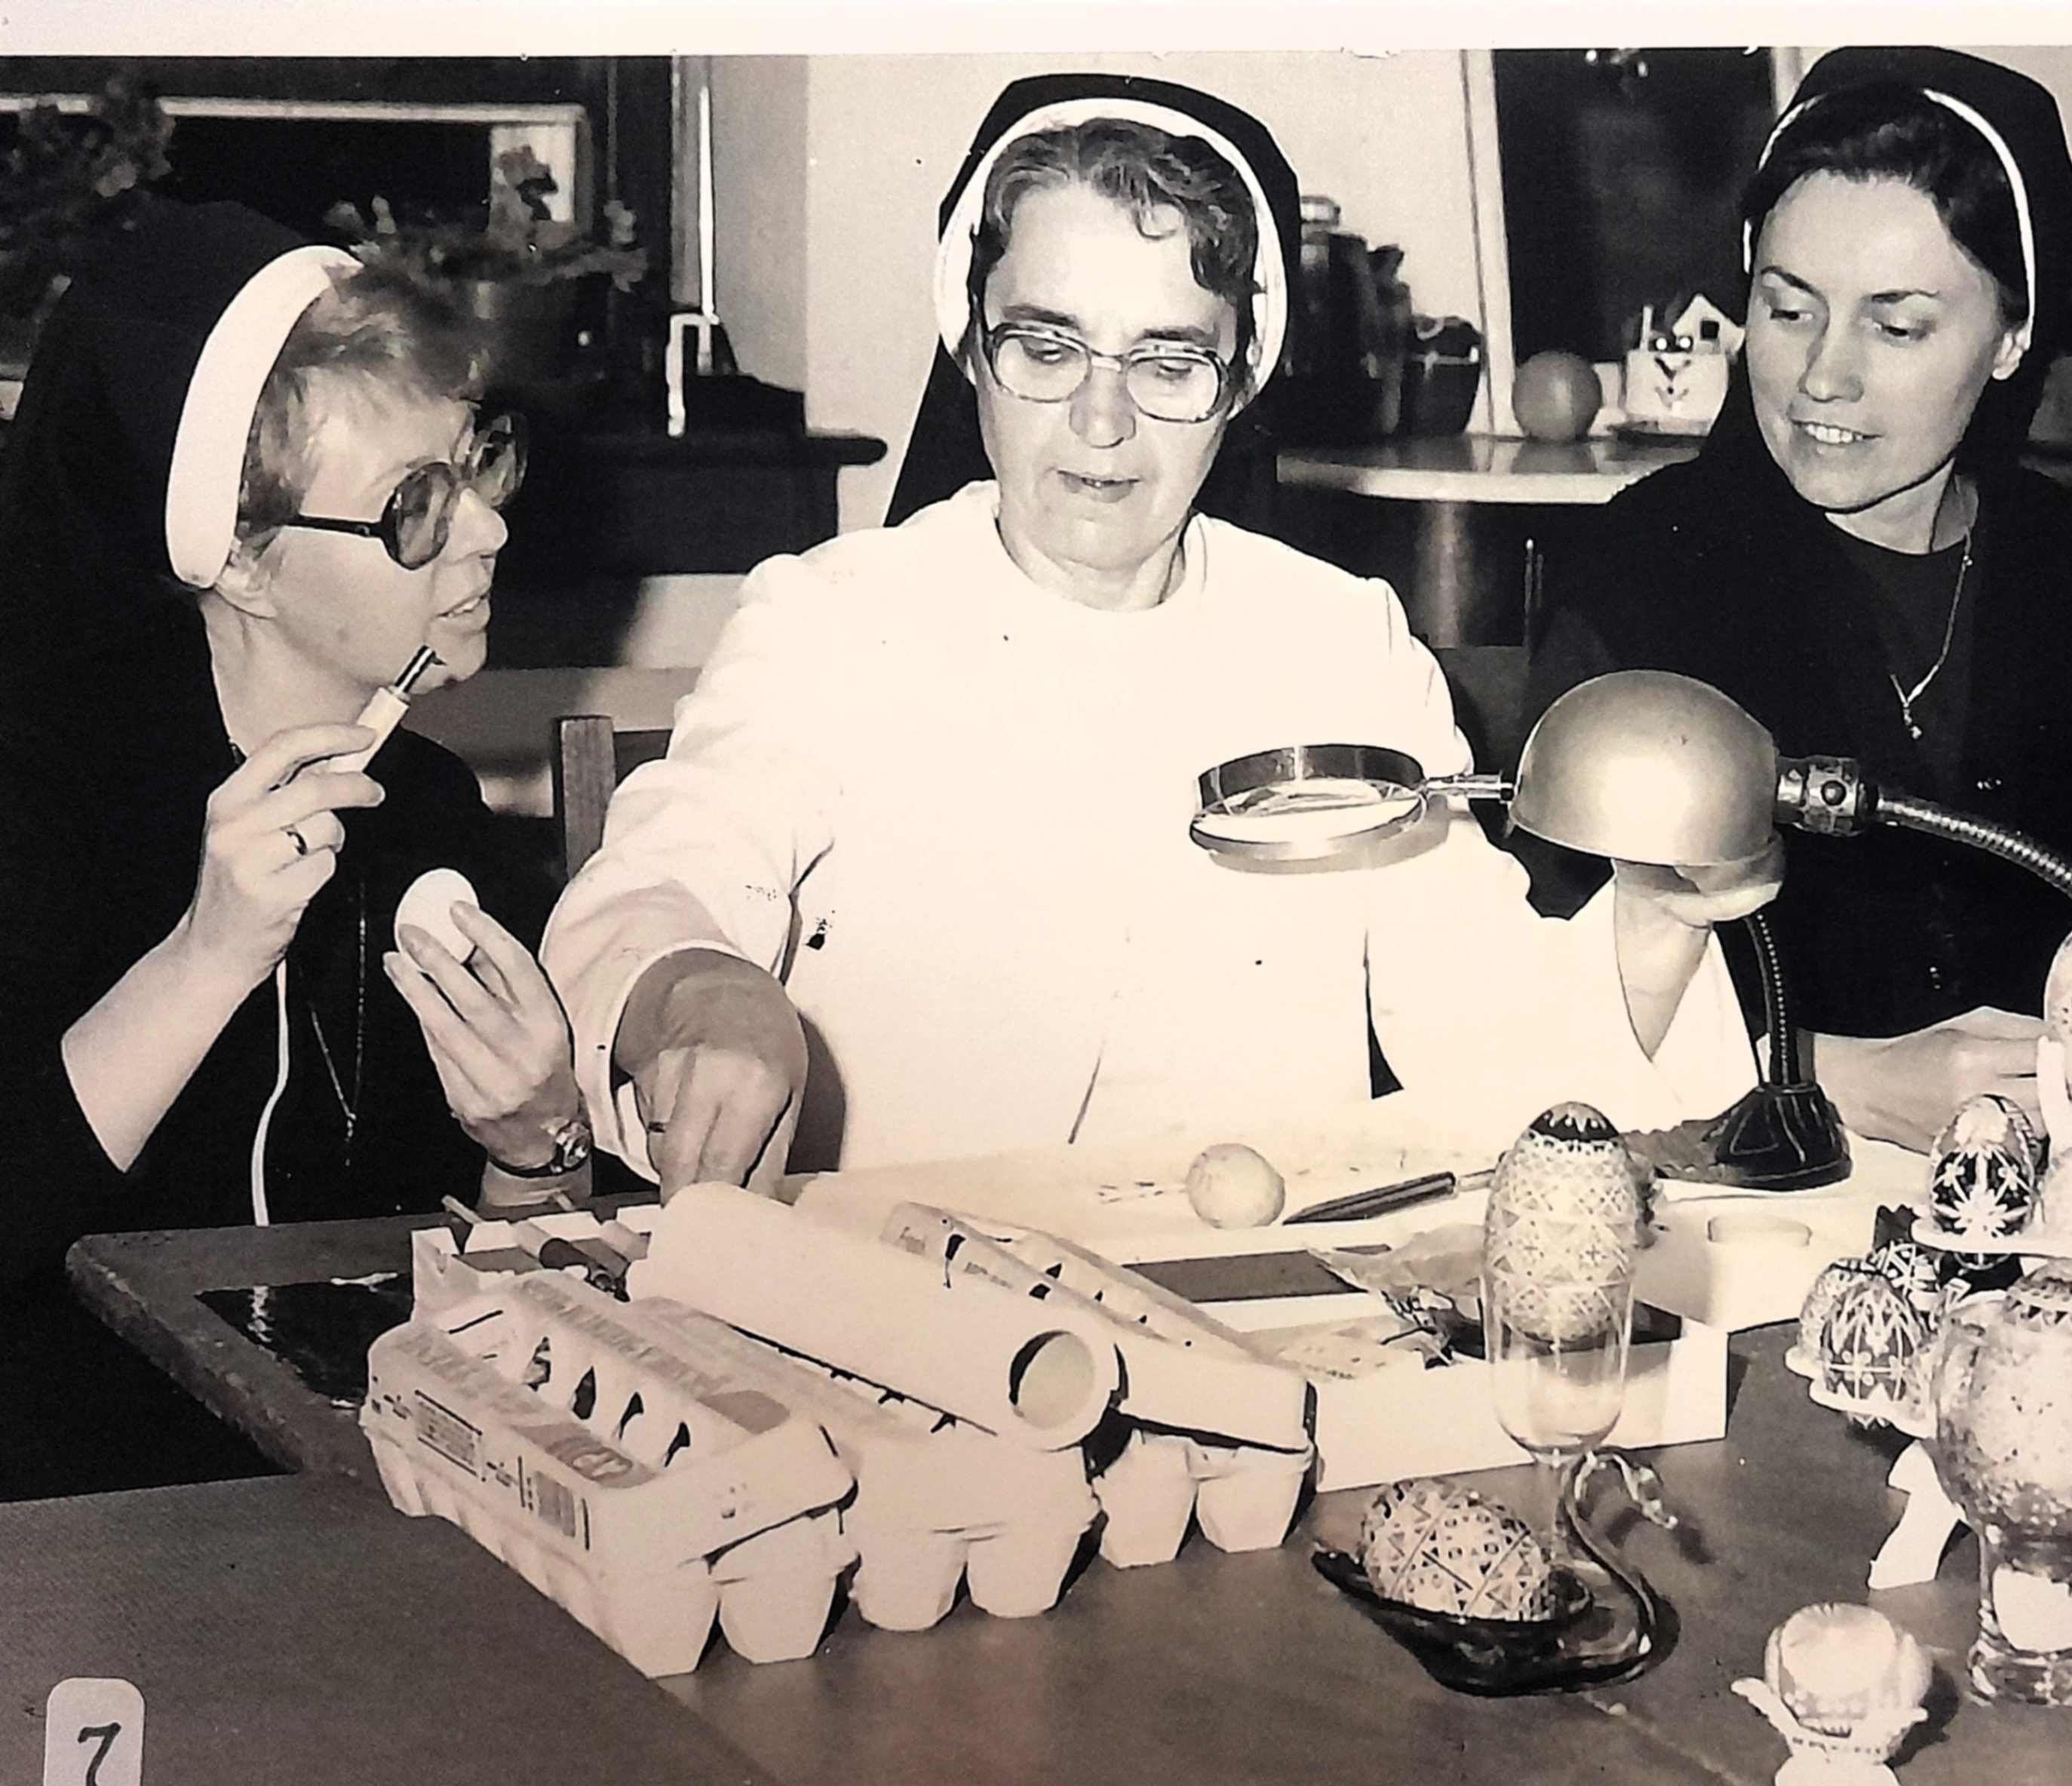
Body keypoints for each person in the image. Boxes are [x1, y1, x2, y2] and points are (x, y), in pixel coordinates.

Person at [540, 75, 1774, 1192]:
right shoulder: (830, 624)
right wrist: (697, 991)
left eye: (1168, 362)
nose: (1101, 420)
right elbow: (656, 887)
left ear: (1240, 382)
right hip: (881, 1293)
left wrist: (1659, 914)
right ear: (971, 347)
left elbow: (1492, 1043)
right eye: (1046, 346)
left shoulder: (1340, 647)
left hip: (1252, 1311)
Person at [1520, 48, 2072, 1152]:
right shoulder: (1643, 575)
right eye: (1788, 309)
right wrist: (1820, 1075)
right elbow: (1541, 1009)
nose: (1823, 376)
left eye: (1895, 325)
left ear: (2011, 337)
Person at [0, 203, 589, 1493]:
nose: (488, 529)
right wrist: (206, 957)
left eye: (479, 463)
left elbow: (494, 1332)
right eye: (416, 506)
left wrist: (534, 1148)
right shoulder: (40, 796)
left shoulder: (428, 809)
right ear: (245, 563)